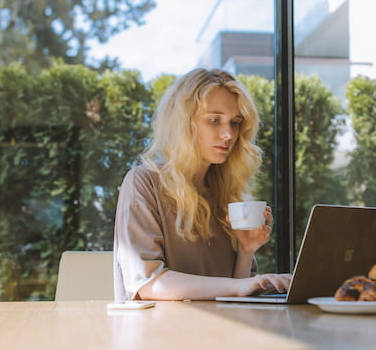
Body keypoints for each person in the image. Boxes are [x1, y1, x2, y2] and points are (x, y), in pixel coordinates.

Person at [113, 68, 293, 301]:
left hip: (216, 331)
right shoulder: (144, 181)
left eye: (235, 123)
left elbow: (233, 293)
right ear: (184, 123)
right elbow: (148, 284)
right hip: (157, 333)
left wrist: (246, 250)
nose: (228, 134)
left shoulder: (227, 193)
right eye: (214, 120)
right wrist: (243, 285)